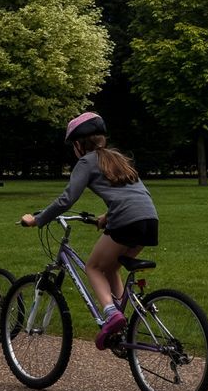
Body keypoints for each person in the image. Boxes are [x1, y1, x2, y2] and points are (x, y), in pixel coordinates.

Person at [19, 111, 157, 349]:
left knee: (93, 267)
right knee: (111, 267)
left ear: (78, 145)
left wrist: (37, 219)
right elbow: (132, 195)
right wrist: (107, 216)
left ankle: (111, 315)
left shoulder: (87, 161)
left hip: (125, 220)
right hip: (148, 219)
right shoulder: (118, 158)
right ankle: (123, 323)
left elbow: (66, 200)